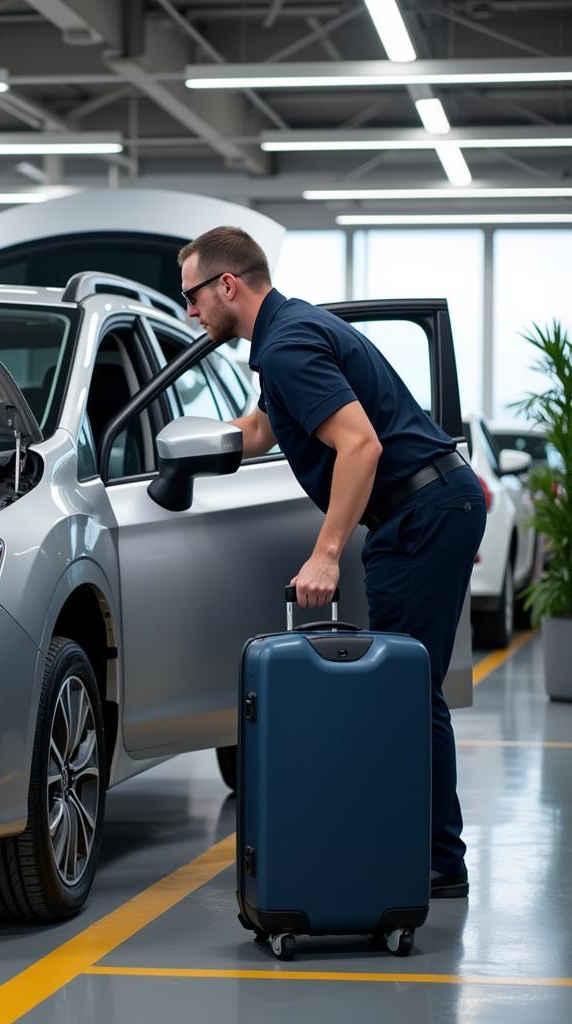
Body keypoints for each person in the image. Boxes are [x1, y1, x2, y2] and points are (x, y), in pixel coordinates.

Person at [178, 226, 486, 899]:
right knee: (413, 686)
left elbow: (361, 447)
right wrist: (184, 448)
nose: (191, 314)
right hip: (432, 506)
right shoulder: (286, 334)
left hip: (421, 512)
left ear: (228, 284)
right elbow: (261, 428)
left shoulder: (286, 344)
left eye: (194, 298)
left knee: (409, 692)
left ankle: (439, 860)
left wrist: (325, 555)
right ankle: (431, 850)